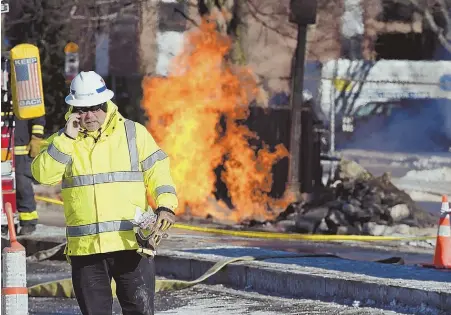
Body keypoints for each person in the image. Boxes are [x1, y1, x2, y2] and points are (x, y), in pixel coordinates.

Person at [31, 71, 178, 315]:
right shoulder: (64, 140)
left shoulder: (133, 133)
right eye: (82, 108)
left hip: (131, 245)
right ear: (74, 109)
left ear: (106, 104)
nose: (89, 115)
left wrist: (166, 205)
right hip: (86, 252)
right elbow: (42, 175)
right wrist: (67, 138)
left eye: (95, 107)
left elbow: (158, 171)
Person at [1, 52, 45, 235]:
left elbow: (38, 117)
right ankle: (4, 222)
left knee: (22, 185)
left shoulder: (24, 93)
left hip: (19, 149)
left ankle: (28, 221)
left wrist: (36, 139)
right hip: (3, 148)